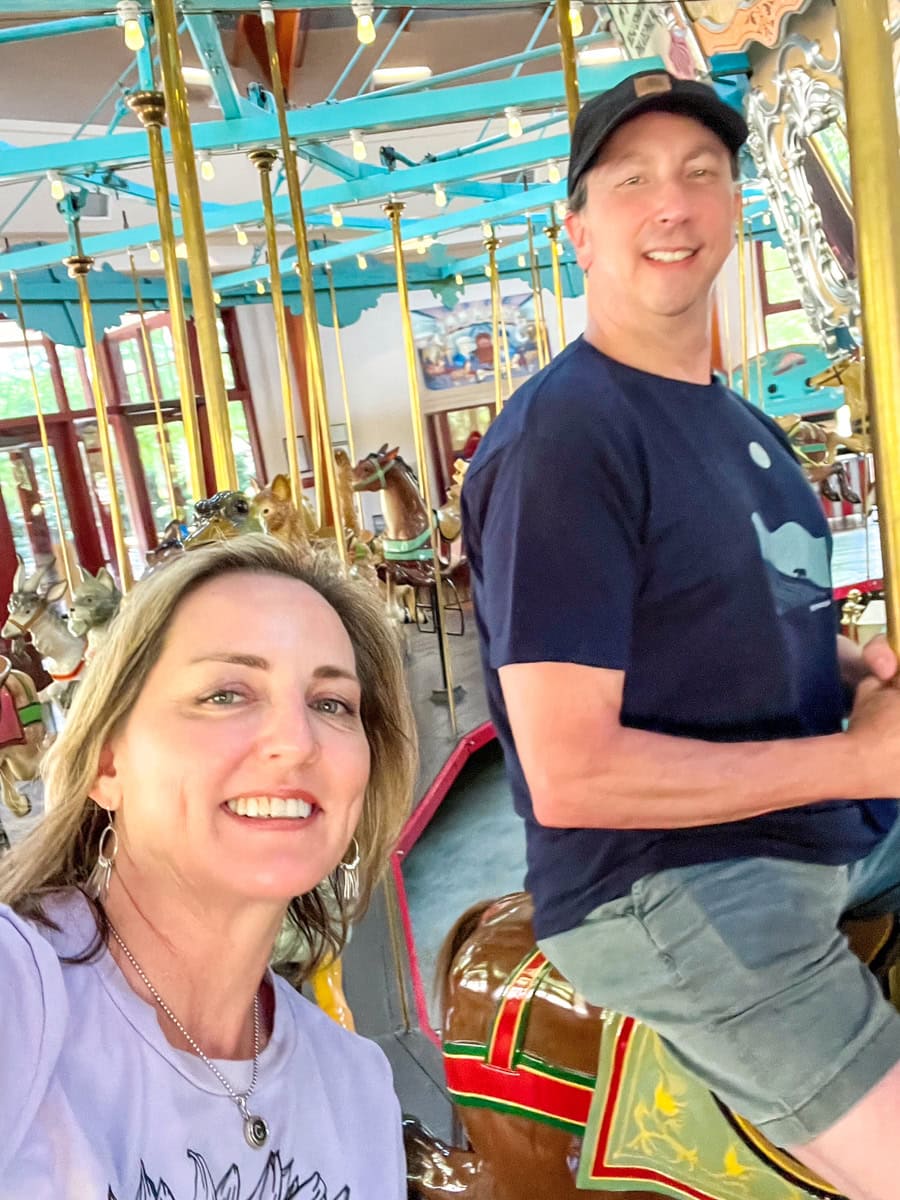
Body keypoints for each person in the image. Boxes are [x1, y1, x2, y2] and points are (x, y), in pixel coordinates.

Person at [461, 69, 900, 1200]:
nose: (675, 205)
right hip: (671, 879)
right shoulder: (567, 438)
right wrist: (857, 756)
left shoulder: (739, 424)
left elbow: (740, 619)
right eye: (634, 182)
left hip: (819, 824)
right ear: (580, 232)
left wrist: (855, 670)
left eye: (702, 174)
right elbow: (569, 771)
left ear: (735, 209)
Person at [0, 534, 416, 1199]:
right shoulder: (19, 1000)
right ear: (108, 764)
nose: (296, 742)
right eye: (225, 693)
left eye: (332, 703)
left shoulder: (356, 1088)